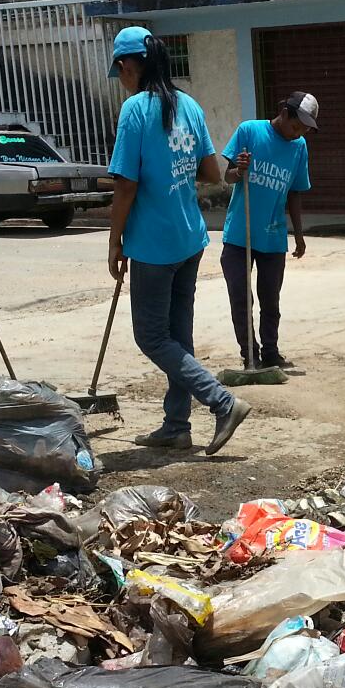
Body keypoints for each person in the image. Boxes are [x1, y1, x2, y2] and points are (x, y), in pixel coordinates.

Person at [107, 26, 251, 455]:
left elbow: (125, 186)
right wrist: (177, 164)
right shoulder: (188, 105)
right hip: (190, 237)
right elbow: (210, 172)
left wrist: (114, 241)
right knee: (177, 337)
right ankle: (176, 425)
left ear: (130, 65)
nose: (123, 79)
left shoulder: (134, 111)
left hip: (153, 244)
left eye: (121, 71)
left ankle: (222, 403)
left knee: (151, 337)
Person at [221, 92, 314, 370]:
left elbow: (295, 193)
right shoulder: (249, 131)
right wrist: (239, 170)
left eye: (305, 130)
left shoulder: (299, 147)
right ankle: (249, 354)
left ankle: (271, 352)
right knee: (241, 297)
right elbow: (228, 176)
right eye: (297, 126)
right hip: (240, 234)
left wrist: (298, 234)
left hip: (273, 236)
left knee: (270, 299)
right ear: (285, 113)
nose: (299, 133)